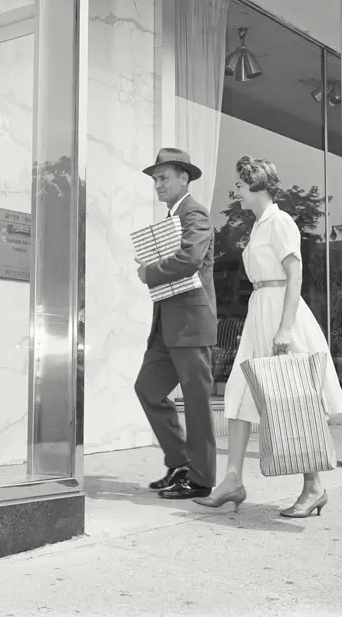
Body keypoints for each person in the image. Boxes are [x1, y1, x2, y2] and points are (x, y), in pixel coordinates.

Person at [195, 155, 342, 517]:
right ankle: (232, 479)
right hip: (260, 311)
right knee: (237, 392)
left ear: (257, 185)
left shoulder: (280, 222)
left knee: (294, 398)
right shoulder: (259, 225)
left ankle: (313, 487)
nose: (235, 191)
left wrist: (285, 327)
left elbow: (294, 275)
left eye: (239, 184)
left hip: (282, 310)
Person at [134, 147, 218, 500]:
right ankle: (180, 462)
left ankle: (201, 478)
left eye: (163, 177)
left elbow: (191, 258)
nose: (157, 184)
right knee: (148, 389)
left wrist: (148, 271)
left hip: (190, 323)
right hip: (167, 325)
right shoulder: (173, 216)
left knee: (197, 402)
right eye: (155, 179)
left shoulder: (194, 212)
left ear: (184, 178)